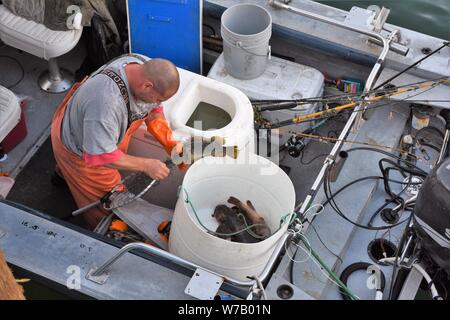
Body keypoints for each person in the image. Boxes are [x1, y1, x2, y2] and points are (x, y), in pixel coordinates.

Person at [51, 54, 183, 229]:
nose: (158, 104)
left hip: (80, 121)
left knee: (72, 169)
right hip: (81, 152)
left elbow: (153, 109)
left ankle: (61, 177)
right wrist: (147, 165)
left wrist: (169, 141)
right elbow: (99, 155)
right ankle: (102, 238)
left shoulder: (139, 64)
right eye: (159, 99)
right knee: (109, 203)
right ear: (147, 85)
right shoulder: (106, 103)